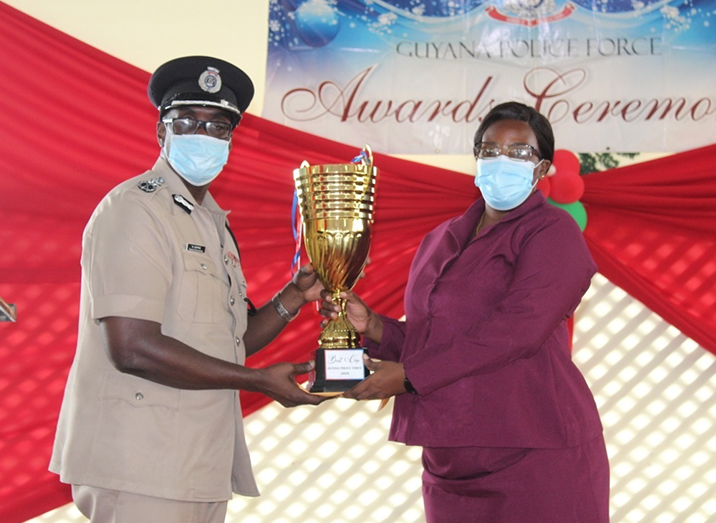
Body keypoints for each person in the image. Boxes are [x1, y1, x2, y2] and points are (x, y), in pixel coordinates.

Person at [49, 56, 326, 523]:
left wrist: (294, 297)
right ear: (162, 132)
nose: (205, 137)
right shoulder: (135, 210)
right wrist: (258, 381)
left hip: (197, 457)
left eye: (219, 127)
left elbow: (227, 339)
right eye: (188, 123)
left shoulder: (212, 221)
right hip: (140, 460)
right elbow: (132, 348)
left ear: (231, 140)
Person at [322, 102, 609, 522]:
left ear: (542, 168)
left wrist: (408, 377)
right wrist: (376, 327)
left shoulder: (552, 233)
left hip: (535, 451)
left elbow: (517, 331)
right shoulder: (441, 238)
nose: (501, 161)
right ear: (475, 159)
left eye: (519, 152)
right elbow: (434, 338)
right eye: (489, 151)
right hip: (449, 456)